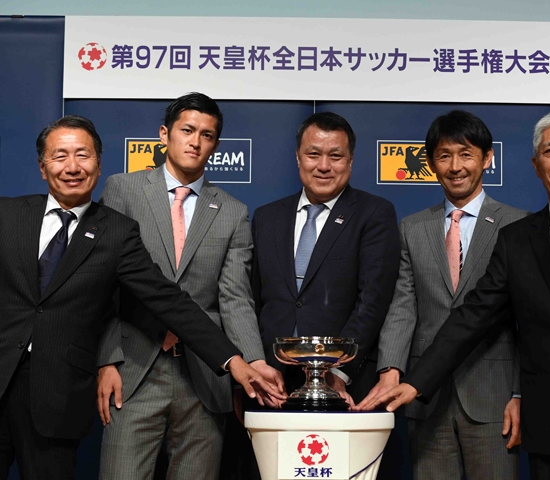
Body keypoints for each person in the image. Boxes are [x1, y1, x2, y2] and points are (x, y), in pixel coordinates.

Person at [0, 114, 284, 480]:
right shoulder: (7, 215)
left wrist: (235, 361)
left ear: (99, 165)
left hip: (55, 398)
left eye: (83, 156)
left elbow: (169, 299)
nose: (72, 166)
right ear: (42, 167)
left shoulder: (116, 233)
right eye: (60, 156)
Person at [361, 111, 550, 480]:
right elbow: (472, 316)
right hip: (549, 421)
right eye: (549, 152)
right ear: (536, 166)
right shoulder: (519, 239)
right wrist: (417, 380)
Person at [95, 93, 284, 480]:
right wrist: (106, 359)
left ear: (216, 145)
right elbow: (103, 286)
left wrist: (253, 360)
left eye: (207, 135)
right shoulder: (123, 190)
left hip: (204, 375)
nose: (196, 141)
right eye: (187, 130)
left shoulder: (232, 211)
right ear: (165, 134)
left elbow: (234, 298)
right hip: (133, 369)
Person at [357, 110, 526, 480]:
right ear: (431, 162)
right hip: (424, 399)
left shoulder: (519, 226)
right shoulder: (412, 228)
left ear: (487, 158)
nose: (455, 166)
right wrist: (390, 371)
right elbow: (402, 307)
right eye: (444, 155)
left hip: (492, 397)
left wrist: (519, 394)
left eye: (466, 154)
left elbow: (528, 321)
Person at [251, 111, 401, 405]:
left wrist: (338, 371)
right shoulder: (266, 217)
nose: (323, 166)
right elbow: (251, 299)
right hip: (271, 382)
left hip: (342, 384)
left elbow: (373, 301)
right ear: (297, 157)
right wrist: (254, 366)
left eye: (335, 155)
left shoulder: (374, 214)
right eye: (313, 154)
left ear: (350, 160)